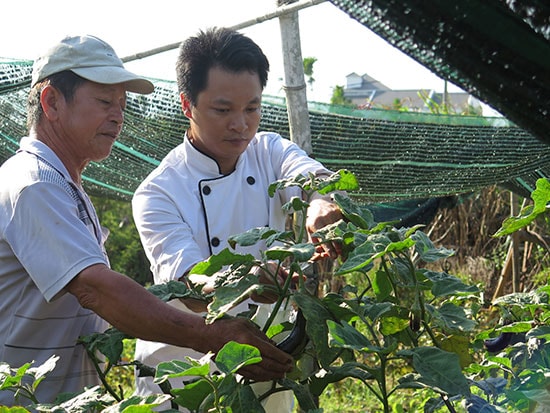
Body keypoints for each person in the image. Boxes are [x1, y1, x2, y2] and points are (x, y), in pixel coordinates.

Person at [0, 34, 294, 407]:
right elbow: (97, 289)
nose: (118, 117)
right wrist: (212, 336)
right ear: (52, 102)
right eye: (105, 102)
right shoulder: (34, 183)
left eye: (122, 105)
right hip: (24, 400)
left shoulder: (62, 183)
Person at [131, 27, 344, 411]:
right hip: (182, 373)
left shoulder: (270, 151)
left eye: (252, 108)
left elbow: (310, 175)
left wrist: (321, 201)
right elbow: (188, 281)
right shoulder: (159, 192)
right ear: (187, 104)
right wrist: (243, 283)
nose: (241, 125)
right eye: (223, 109)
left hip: (267, 355)